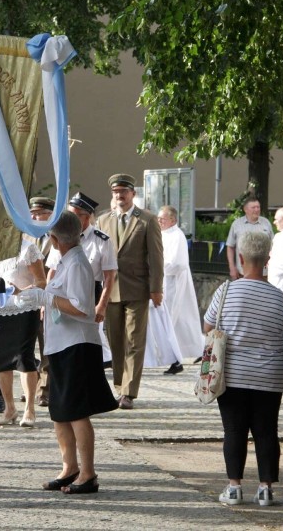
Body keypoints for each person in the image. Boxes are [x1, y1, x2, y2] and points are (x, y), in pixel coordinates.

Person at [19, 211, 118, 494]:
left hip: (77, 345)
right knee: (60, 411)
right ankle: (69, 467)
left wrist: (46, 297)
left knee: (76, 412)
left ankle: (87, 473)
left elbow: (81, 308)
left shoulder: (77, 263)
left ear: (54, 239)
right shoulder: (65, 261)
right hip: (61, 344)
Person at [205, 231, 283, 507]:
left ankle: (234, 488)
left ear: (240, 258)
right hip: (269, 376)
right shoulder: (278, 296)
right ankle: (265, 489)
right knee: (267, 431)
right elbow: (280, 329)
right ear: (267, 259)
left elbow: (208, 327)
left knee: (234, 430)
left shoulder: (226, 291)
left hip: (233, 373)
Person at [96, 173, 164, 410]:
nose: (119, 196)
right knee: (115, 342)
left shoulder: (146, 220)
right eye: (116, 192)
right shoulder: (103, 220)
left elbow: (156, 258)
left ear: (133, 194)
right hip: (110, 290)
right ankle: (119, 385)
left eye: (123, 192)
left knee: (135, 341)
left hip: (137, 289)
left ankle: (129, 392)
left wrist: (156, 289)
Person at [45, 192, 117, 398]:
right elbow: (52, 269)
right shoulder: (59, 235)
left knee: (83, 340)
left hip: (90, 291)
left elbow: (109, 276)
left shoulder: (101, 240)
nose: (71, 218)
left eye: (76, 214)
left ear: (87, 217)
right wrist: (46, 302)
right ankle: (49, 387)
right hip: (60, 290)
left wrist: (102, 305)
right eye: (70, 213)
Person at [0, 234, 46, 428]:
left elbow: (42, 281)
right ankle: (9, 408)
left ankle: (30, 408)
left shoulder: (28, 249)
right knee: (1, 359)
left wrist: (21, 290)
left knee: (23, 356)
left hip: (26, 307)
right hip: (0, 308)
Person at [157, 205, 202, 372]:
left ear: (173, 220)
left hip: (174, 285)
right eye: (158, 217)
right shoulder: (162, 234)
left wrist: (157, 267)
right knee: (178, 324)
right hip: (163, 283)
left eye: (163, 218)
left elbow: (178, 263)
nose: (159, 220)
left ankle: (176, 359)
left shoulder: (177, 236)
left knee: (173, 322)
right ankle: (182, 355)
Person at [25, 196, 57, 408]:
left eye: (39, 214)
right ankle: (31, 385)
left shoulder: (57, 236)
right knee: (25, 347)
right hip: (26, 299)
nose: (35, 217)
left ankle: (44, 389)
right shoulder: (26, 237)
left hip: (48, 298)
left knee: (47, 347)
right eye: (32, 214)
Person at [225, 196, 273, 280]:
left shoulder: (266, 223)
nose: (257, 209)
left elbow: (273, 245)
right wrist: (232, 267)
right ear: (245, 209)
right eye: (253, 207)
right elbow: (230, 246)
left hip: (264, 272)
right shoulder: (237, 224)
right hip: (243, 273)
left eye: (258, 207)